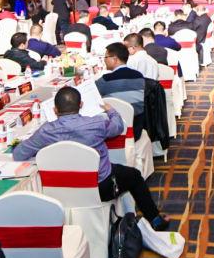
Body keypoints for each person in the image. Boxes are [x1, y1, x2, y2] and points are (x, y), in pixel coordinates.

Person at [13, 86, 169, 229]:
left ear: (54, 110)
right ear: (81, 105)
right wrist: (111, 111)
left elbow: (19, 154)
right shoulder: (97, 123)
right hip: (100, 188)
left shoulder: (45, 131)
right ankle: (155, 219)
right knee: (135, 176)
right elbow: (118, 126)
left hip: (61, 190)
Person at [96, 42, 146, 137]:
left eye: (106, 57)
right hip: (136, 129)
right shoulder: (139, 76)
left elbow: (93, 95)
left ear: (115, 59)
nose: (104, 60)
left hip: (114, 132)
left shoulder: (105, 80)